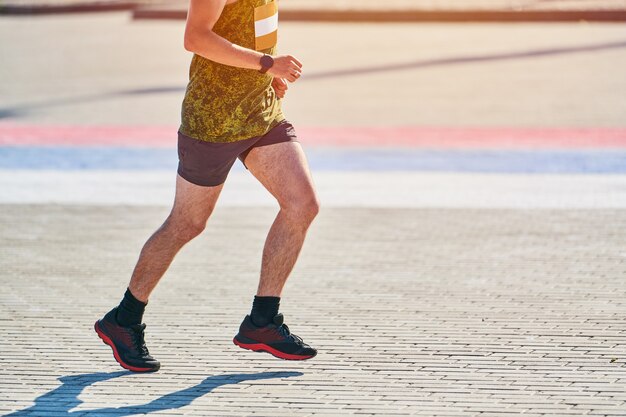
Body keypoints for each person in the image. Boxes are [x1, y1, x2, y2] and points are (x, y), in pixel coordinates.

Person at [94, 0, 319, 372]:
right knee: (187, 223)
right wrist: (267, 64)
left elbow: (253, 29)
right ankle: (124, 319)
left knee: (302, 205)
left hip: (260, 114)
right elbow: (196, 37)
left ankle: (262, 321)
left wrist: (267, 73)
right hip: (212, 123)